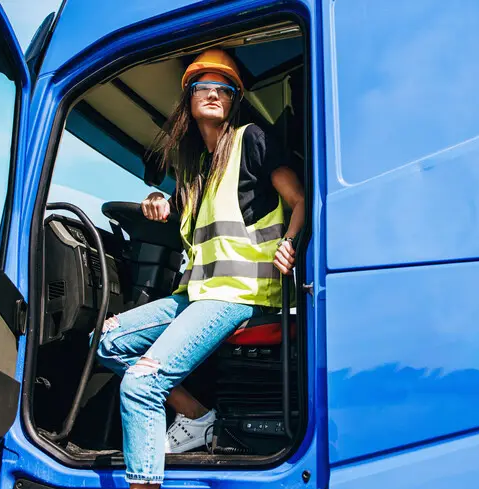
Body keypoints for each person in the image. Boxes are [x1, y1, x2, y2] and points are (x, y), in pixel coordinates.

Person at [94, 48, 305, 488]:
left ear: (234, 100)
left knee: (141, 385)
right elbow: (179, 217)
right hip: (196, 296)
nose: (213, 93)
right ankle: (197, 418)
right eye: (203, 87)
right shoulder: (196, 172)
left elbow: (299, 199)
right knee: (108, 341)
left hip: (239, 294)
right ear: (189, 98)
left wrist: (289, 243)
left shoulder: (250, 140)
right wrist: (156, 202)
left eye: (223, 88)